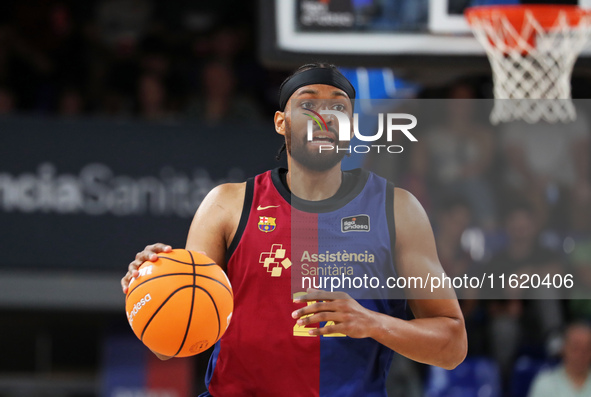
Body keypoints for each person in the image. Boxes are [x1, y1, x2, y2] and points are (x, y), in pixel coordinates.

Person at [121, 63, 467, 396]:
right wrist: (152, 289)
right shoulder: (227, 204)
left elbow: (452, 346)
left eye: (338, 106)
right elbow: (173, 343)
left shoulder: (397, 209)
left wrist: (372, 323)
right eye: (308, 103)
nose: (324, 115)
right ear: (281, 122)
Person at [528, 323, 591, 397]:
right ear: (564, 348)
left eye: (587, 349)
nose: (581, 354)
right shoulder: (544, 384)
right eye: (575, 348)